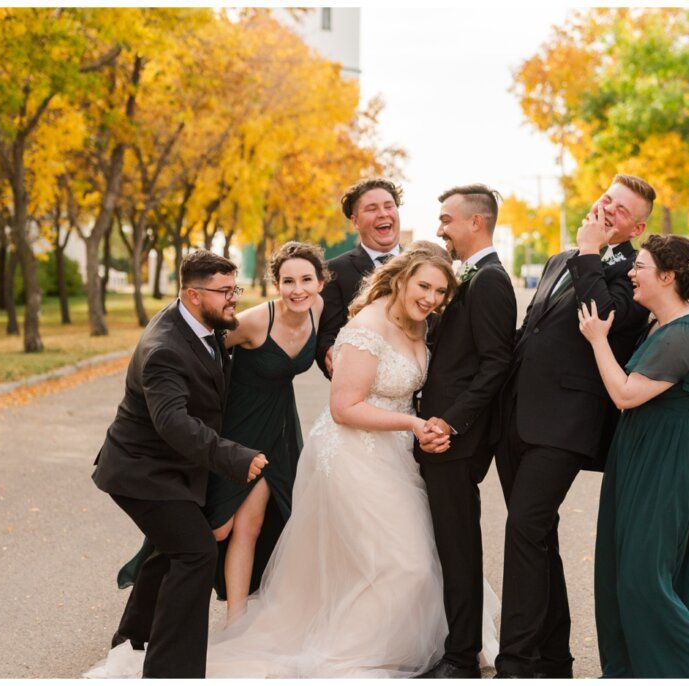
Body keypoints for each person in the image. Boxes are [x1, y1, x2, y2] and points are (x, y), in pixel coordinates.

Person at [203, 242, 482, 678]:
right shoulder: (366, 328)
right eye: (424, 286)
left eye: (440, 292)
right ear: (403, 278)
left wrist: (429, 428)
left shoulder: (417, 325)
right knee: (401, 563)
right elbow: (344, 408)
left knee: (410, 559)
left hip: (396, 456)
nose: (430, 298)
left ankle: (400, 644)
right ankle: (356, 654)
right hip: (352, 454)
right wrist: (413, 426)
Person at [493, 174, 655, 678]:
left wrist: (590, 253)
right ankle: (554, 659)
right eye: (607, 199)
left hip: (566, 424)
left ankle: (516, 663)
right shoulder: (560, 258)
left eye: (621, 210)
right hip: (517, 414)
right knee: (538, 538)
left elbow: (604, 316)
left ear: (638, 226)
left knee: (524, 529)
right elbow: (533, 328)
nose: (608, 210)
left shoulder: (634, 272)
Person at [115, 242, 326, 626]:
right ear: (276, 284)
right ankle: (140, 617)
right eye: (288, 281)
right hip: (237, 426)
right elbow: (203, 353)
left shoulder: (317, 310)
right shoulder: (254, 321)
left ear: (320, 282)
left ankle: (237, 621)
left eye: (306, 280)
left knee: (255, 523)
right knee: (215, 527)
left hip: (279, 426)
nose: (298, 289)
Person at [89, 250, 268, 678]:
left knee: (173, 548)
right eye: (225, 291)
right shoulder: (165, 349)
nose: (233, 299)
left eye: (235, 289)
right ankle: (172, 672)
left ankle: (133, 636)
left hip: (169, 468)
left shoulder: (203, 326)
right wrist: (234, 457)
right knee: (195, 551)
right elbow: (173, 423)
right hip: (140, 472)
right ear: (192, 294)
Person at [578, 234, 689, 678]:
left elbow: (626, 394)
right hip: (651, 454)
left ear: (666, 277)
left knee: (643, 578)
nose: (631, 273)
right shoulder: (663, 326)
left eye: (640, 267)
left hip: (673, 463)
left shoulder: (684, 333)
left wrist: (597, 340)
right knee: (628, 568)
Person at [414, 185, 516, 678]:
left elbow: (495, 365)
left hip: (454, 440)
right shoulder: (468, 278)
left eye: (446, 219)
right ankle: (451, 645)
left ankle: (461, 657)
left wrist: (451, 423)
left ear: (476, 222)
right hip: (437, 432)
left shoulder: (491, 281)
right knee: (443, 544)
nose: (440, 228)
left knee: (458, 548)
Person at [315, 177, 403, 379]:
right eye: (372, 209)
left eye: (389, 206)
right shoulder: (333, 270)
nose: (383, 213)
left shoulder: (423, 264)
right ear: (355, 221)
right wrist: (327, 351)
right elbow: (327, 334)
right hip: (362, 384)